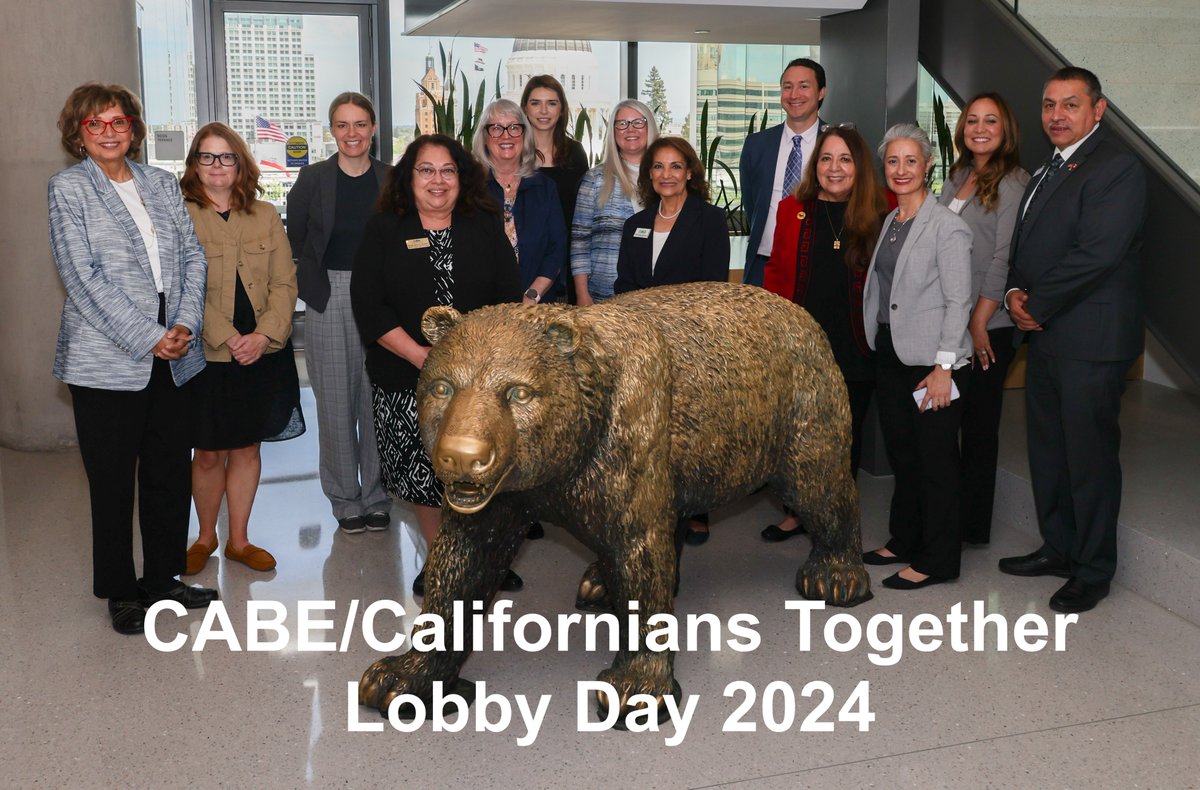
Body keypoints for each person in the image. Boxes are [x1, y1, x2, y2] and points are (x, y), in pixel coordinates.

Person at [48, 82, 218, 635]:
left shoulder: (160, 183)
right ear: (78, 133)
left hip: (175, 352)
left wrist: (186, 324)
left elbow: (193, 256)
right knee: (113, 480)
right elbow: (82, 277)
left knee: (170, 471)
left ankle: (164, 578)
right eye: (95, 124)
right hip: (107, 358)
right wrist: (148, 334)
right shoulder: (68, 190)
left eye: (117, 121)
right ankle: (121, 590)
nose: (108, 132)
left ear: (133, 128)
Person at [999, 68, 1146, 614]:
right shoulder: (1048, 167)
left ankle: (1092, 570)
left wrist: (1033, 305)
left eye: (1070, 105)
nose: (1056, 115)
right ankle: (1058, 548)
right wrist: (1015, 288)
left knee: (1088, 459)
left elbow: (1098, 253)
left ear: (1097, 109)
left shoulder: (1117, 168)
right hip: (1050, 337)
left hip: (1091, 339)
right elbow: (1028, 241)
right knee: (1050, 453)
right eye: (1048, 105)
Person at [351, 135, 522, 596]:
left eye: (447, 170)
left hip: (477, 383)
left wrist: (480, 360)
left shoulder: (482, 222)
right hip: (406, 376)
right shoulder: (386, 227)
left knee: (480, 470)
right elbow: (368, 305)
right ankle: (441, 559)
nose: (437, 180)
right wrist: (420, 356)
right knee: (424, 474)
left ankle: (483, 557)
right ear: (409, 177)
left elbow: (507, 295)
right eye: (426, 170)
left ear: (461, 178)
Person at [180, 123, 305, 575]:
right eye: (207, 157)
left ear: (241, 164)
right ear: (194, 164)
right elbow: (181, 288)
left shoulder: (265, 214)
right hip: (210, 352)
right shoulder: (181, 214)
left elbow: (284, 281)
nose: (217, 166)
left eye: (226, 157)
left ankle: (239, 540)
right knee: (209, 451)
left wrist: (264, 335)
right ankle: (205, 537)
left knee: (248, 447)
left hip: (261, 350)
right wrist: (229, 337)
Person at [861, 124, 973, 591]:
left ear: (928, 165)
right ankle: (904, 538)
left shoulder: (948, 226)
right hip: (891, 353)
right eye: (893, 161)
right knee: (904, 455)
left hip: (932, 362)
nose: (901, 170)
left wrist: (944, 367)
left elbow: (959, 300)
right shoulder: (892, 221)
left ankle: (940, 558)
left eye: (911, 161)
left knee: (936, 463)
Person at [761, 125, 887, 542]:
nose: (835, 168)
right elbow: (777, 274)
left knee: (843, 438)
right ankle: (797, 513)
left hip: (856, 344)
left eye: (845, 159)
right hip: (803, 348)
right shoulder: (791, 209)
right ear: (816, 166)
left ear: (859, 167)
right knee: (799, 433)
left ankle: (835, 520)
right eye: (827, 159)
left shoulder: (882, 210)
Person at [614, 136, 730, 546]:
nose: (667, 175)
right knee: (652, 428)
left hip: (692, 344)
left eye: (675, 166)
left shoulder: (711, 220)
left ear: (690, 172)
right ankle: (654, 504)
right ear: (649, 175)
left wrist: (675, 326)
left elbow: (713, 289)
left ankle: (697, 511)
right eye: (658, 167)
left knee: (692, 430)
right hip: (643, 344)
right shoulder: (635, 225)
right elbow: (624, 285)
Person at [287, 92, 393, 535]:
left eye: (361, 124)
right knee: (333, 402)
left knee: (376, 398)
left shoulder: (392, 178)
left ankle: (376, 493)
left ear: (372, 129)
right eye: (343, 125)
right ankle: (344, 497)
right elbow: (296, 240)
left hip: (383, 296)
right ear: (332, 130)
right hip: (330, 294)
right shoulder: (312, 179)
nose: (353, 134)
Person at [938, 93, 1030, 546]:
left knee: (977, 431)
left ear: (1005, 129)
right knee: (945, 427)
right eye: (972, 119)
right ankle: (949, 518)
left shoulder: (1014, 182)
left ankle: (972, 529)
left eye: (990, 120)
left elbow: (1002, 258)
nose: (979, 127)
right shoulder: (958, 175)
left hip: (988, 328)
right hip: (952, 322)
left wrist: (978, 323)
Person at [740, 57, 828, 287]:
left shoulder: (835, 144)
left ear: (821, 93)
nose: (794, 94)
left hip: (818, 268)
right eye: (787, 87)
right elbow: (752, 204)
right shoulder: (756, 145)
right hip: (764, 267)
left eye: (803, 86)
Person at [474, 99, 567, 305]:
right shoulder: (470, 190)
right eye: (496, 128)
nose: (506, 135)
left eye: (514, 127)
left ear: (524, 135)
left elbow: (556, 249)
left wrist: (532, 295)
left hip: (538, 308)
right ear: (484, 137)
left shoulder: (545, 188)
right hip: (482, 312)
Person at [571, 99, 658, 305]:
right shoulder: (595, 179)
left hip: (658, 297)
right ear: (613, 131)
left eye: (638, 122)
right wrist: (582, 295)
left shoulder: (667, 179)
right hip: (604, 296)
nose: (630, 129)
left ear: (650, 127)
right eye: (622, 123)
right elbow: (579, 242)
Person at [521, 75, 589, 262]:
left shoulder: (575, 153)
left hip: (567, 253)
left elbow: (583, 211)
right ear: (525, 108)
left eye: (551, 103)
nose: (543, 111)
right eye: (535, 103)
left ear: (561, 110)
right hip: (524, 256)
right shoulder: (514, 154)